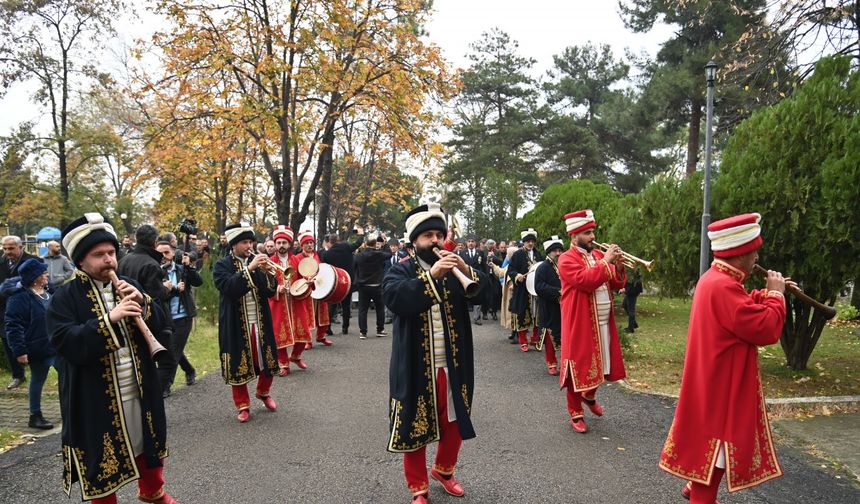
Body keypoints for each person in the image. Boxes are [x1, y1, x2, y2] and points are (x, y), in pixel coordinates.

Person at [659, 213, 790, 503]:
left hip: (712, 380)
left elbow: (739, 312)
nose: (757, 256)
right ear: (740, 253)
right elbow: (765, 328)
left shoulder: (716, 279)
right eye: (753, 250)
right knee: (714, 451)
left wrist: (763, 294)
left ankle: (697, 489)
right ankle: (700, 494)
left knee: (712, 453)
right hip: (721, 389)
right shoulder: (724, 286)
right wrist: (776, 297)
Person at [47, 213, 174, 503]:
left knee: (147, 443)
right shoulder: (64, 297)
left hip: (139, 387)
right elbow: (65, 343)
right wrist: (109, 319)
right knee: (101, 455)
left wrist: (144, 305)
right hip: (96, 396)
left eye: (111, 252)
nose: (109, 260)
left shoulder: (128, 284)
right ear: (81, 260)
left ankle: (154, 493)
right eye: (99, 254)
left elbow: (162, 326)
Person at [383, 203, 486, 503]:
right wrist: (432, 278)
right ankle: (418, 488)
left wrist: (465, 270)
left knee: (455, 422)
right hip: (415, 365)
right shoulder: (399, 269)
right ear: (414, 241)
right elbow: (395, 299)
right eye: (427, 235)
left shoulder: (457, 268)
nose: (435, 241)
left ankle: (444, 470)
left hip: (454, 362)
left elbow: (487, 292)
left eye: (439, 235)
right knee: (416, 424)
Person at [558, 210, 627, 434]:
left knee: (603, 364)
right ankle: (575, 411)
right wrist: (607, 261)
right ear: (574, 235)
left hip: (603, 321)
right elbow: (585, 281)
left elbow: (615, 284)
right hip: (580, 321)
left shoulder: (597, 254)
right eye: (587, 233)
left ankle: (589, 396)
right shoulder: (566, 259)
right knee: (577, 366)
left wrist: (619, 265)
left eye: (592, 232)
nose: (592, 237)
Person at [213, 223, 279, 423]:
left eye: (250, 242)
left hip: (260, 320)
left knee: (267, 359)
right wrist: (249, 269)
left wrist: (268, 273)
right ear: (234, 245)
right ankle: (243, 405)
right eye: (244, 242)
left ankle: (263, 392)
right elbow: (229, 288)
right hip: (235, 323)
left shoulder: (258, 261)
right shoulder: (221, 265)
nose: (249, 246)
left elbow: (269, 292)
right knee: (238, 362)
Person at [2, 259, 61, 429]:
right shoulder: (19, 297)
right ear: (35, 277)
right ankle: (35, 416)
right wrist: (19, 351)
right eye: (43, 273)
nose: (47, 275)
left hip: (56, 345)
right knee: (38, 380)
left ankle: (70, 410)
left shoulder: (49, 290)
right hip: (37, 348)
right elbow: (12, 325)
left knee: (68, 378)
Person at [118, 225, 176, 397]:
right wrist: (166, 288)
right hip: (150, 319)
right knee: (167, 362)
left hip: (128, 317)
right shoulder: (151, 264)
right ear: (155, 242)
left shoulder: (124, 260)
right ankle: (151, 397)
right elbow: (155, 297)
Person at [155, 241, 202, 393]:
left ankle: (165, 386)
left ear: (174, 253)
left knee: (173, 352)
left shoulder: (182, 269)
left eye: (166, 253)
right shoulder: (155, 272)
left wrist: (188, 266)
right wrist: (172, 289)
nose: (163, 257)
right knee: (172, 348)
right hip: (166, 318)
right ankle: (189, 370)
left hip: (183, 317)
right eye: (160, 253)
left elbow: (198, 282)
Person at [2, 235, 42, 389]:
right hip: (4, 309)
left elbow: (42, 282)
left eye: (11, 248)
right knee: (8, 340)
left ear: (21, 247)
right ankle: (18, 375)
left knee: (33, 339)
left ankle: (38, 372)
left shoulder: (34, 261)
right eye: (4, 248)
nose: (7, 251)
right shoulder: (1, 262)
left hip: (29, 307)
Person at [319, 228, 365, 334]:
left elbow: (322, 263)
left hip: (334, 283)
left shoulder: (327, 254)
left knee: (332, 305)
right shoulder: (346, 247)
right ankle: (345, 328)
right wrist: (361, 235)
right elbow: (358, 243)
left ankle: (328, 327)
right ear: (338, 240)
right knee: (346, 306)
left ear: (329, 242)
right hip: (347, 281)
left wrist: (326, 248)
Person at [267, 225, 297, 375]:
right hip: (278, 302)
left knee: (301, 331)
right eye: (278, 243)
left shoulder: (296, 260)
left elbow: (303, 277)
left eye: (284, 243)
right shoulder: (268, 262)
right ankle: (283, 364)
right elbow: (265, 284)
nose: (281, 246)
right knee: (280, 333)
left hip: (295, 301)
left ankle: (296, 356)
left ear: (289, 244)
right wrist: (277, 289)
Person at [507, 229, 542, 351]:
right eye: (528, 241)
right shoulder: (518, 255)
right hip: (522, 290)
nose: (530, 243)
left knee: (537, 314)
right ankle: (523, 340)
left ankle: (535, 338)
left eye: (532, 241)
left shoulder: (539, 254)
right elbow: (510, 269)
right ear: (524, 242)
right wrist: (517, 276)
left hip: (536, 291)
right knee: (522, 314)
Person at [296, 231, 333, 346]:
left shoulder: (319, 255)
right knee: (308, 315)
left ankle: (321, 336)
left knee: (323, 314)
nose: (310, 245)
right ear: (302, 245)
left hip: (320, 288)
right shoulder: (297, 258)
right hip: (307, 289)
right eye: (307, 243)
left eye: (311, 242)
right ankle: (307, 340)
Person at [533, 236, 564, 376]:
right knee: (550, 337)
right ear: (548, 252)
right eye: (555, 251)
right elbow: (539, 287)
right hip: (548, 306)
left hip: (563, 306)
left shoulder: (563, 265)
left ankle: (565, 363)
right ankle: (551, 363)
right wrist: (557, 292)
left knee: (565, 335)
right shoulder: (543, 267)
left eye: (559, 250)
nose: (558, 253)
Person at [354, 233, 392, 339]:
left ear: (366, 244)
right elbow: (389, 254)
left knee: (362, 309)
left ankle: (363, 332)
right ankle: (380, 329)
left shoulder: (359, 255)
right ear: (375, 244)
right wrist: (385, 242)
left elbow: (355, 267)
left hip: (363, 285)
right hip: (376, 284)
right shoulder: (378, 254)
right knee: (380, 308)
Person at [458, 236, 487, 325]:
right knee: (465, 297)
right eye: (469, 241)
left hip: (477, 278)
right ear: (466, 243)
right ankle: (464, 318)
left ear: (475, 243)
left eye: (472, 241)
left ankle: (477, 318)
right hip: (465, 278)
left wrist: (484, 276)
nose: (470, 243)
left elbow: (483, 265)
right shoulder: (462, 253)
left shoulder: (480, 252)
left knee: (477, 297)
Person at [621, 267, 643, 333]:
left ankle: (630, 329)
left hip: (633, 290)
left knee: (631, 309)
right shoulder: (631, 268)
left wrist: (625, 289)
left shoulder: (634, 268)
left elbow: (633, 279)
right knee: (625, 305)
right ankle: (634, 324)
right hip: (631, 289)